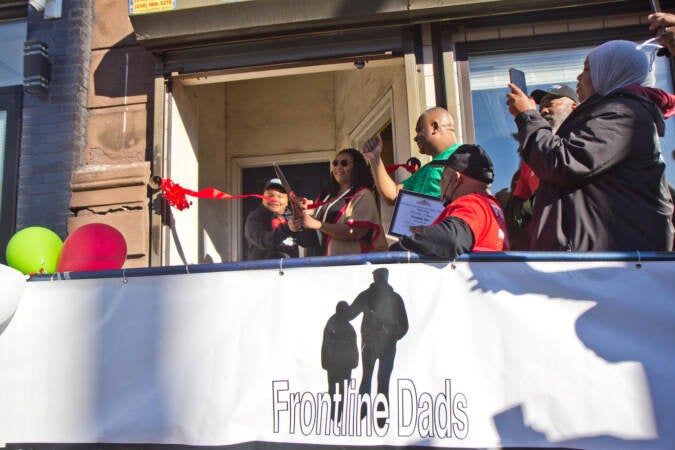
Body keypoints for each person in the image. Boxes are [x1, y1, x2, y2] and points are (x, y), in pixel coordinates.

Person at [506, 40, 674, 251]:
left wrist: (527, 116)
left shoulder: (623, 113)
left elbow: (562, 162)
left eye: (587, 68)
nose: (579, 77)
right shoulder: (613, 113)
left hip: (607, 264)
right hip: (593, 259)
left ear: (611, 71)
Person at [389, 144, 508, 258]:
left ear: (455, 180)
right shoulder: (492, 207)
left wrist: (394, 252)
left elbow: (451, 239)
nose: (440, 183)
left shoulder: (473, 204)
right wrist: (427, 231)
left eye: (443, 177)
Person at [506, 85, 578, 250]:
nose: (544, 110)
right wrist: (531, 205)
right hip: (544, 251)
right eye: (540, 107)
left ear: (574, 106)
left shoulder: (581, 143)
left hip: (582, 249)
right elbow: (515, 218)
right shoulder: (529, 161)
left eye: (551, 103)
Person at [297, 148, 388, 256]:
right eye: (335, 163)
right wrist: (308, 213)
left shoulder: (363, 194)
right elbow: (314, 231)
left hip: (352, 264)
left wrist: (318, 224)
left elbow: (355, 232)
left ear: (356, 167)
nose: (338, 167)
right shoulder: (326, 195)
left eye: (344, 163)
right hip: (325, 263)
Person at [345, 268, 408, 422]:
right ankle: (363, 416)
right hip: (372, 344)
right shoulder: (370, 296)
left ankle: (377, 419)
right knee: (370, 379)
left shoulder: (394, 298)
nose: (378, 279)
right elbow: (350, 314)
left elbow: (404, 326)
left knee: (380, 380)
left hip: (383, 344)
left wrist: (391, 334)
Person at [361, 107, 461, 203]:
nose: (415, 138)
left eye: (419, 130)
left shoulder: (466, 159)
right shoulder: (426, 170)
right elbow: (394, 195)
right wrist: (374, 158)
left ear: (435, 127)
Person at [244, 178, 310, 260]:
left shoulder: (291, 216)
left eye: (280, 196)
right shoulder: (255, 217)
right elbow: (263, 241)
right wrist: (287, 228)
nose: (275, 200)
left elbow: (308, 242)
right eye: (270, 195)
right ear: (263, 198)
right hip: (262, 270)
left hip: (290, 269)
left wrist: (306, 217)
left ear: (287, 201)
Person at [321, 301, 358, 422]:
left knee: (341, 394)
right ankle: (334, 418)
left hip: (344, 366)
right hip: (336, 366)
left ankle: (337, 419)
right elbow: (327, 345)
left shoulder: (346, 327)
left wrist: (353, 362)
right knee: (334, 393)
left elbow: (353, 346)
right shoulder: (332, 325)